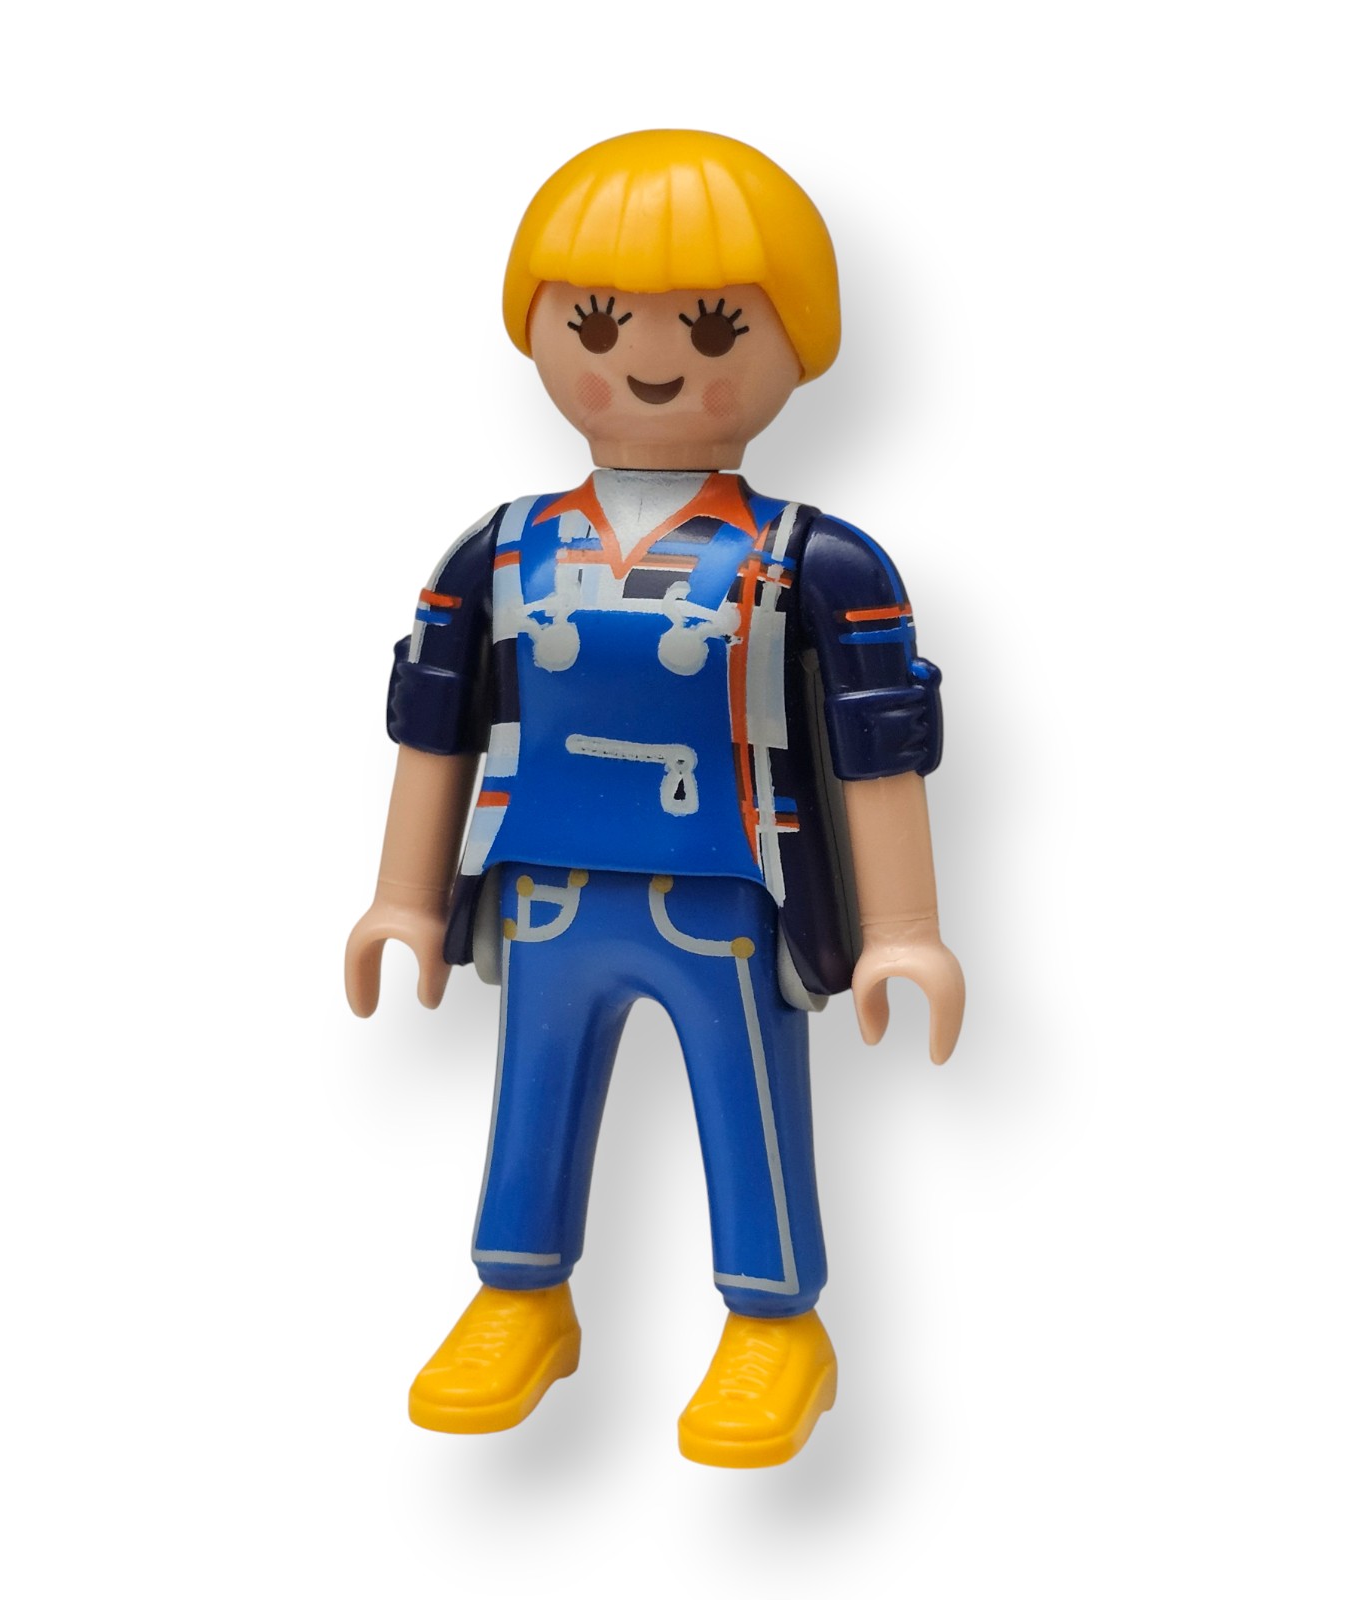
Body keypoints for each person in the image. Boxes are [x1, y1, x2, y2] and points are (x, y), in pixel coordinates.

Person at [345, 129, 964, 1468]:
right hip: (547, 880)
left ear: (798, 339)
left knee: (747, 1103)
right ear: (538, 331)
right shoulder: (502, 547)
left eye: (716, 324)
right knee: (532, 1093)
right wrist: (404, 898)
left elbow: (879, 746)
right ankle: (521, 1296)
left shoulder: (815, 561)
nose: (649, 358)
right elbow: (434, 720)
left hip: (725, 890)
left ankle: (775, 1324)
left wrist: (903, 929)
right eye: (599, 321)